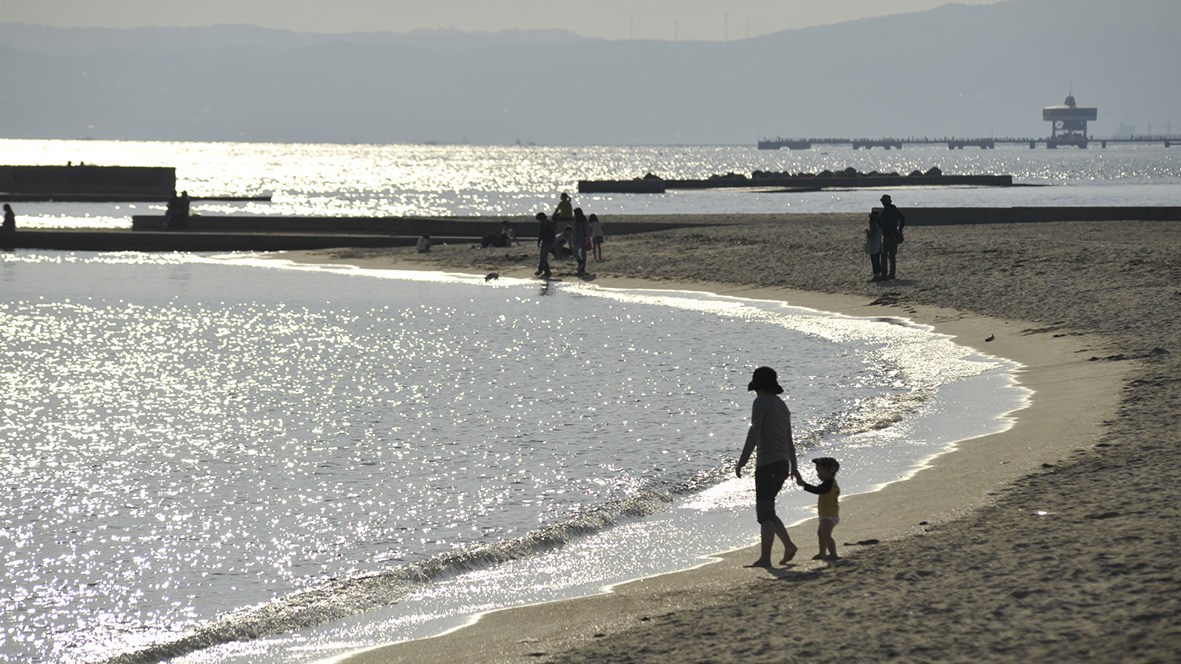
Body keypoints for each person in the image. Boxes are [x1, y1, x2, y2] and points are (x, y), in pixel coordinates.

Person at [735, 366, 801, 567]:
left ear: (759, 387)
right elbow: (789, 439)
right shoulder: (782, 406)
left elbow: (753, 432)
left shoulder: (760, 402)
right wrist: (794, 466)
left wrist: (743, 460)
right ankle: (788, 546)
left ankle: (765, 559)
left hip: (767, 463)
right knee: (768, 509)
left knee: (764, 514)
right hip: (782, 463)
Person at [796, 457, 841, 560]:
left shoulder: (829, 484)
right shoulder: (830, 483)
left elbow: (818, 490)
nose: (817, 474)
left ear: (828, 472)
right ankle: (822, 552)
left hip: (829, 516)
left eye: (819, 471)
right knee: (821, 534)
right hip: (826, 514)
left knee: (826, 535)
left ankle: (833, 553)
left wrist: (805, 485)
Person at [879, 194, 905, 280]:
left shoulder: (884, 213)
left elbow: (882, 226)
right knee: (892, 256)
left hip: (887, 236)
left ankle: (884, 274)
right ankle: (892, 274)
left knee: (884, 255)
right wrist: (900, 230)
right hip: (895, 234)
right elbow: (903, 219)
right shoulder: (894, 209)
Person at [534, 212, 555, 278]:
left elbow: (552, 235)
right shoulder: (541, 225)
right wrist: (539, 241)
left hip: (550, 242)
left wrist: (548, 243)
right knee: (542, 256)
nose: (540, 221)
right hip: (544, 241)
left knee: (543, 256)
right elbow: (540, 234)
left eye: (540, 220)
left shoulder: (550, 224)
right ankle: (547, 271)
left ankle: (540, 269)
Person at [866, 210, 884, 281]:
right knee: (877, 259)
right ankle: (878, 275)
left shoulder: (874, 224)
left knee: (874, 260)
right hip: (878, 243)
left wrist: (867, 232)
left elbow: (871, 235)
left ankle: (876, 275)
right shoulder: (880, 224)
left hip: (874, 244)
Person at [572, 208, 590, 274]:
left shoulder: (576, 221)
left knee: (575, 252)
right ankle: (583, 267)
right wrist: (587, 237)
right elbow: (587, 230)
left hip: (578, 238)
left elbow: (574, 232)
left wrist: (573, 240)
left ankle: (580, 262)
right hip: (585, 238)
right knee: (584, 253)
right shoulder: (585, 220)